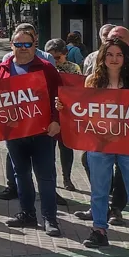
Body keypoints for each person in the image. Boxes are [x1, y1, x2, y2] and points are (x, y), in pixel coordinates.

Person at [73, 39, 129, 257]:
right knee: (99, 190)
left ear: (125, 58)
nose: (114, 59)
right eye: (110, 54)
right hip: (100, 143)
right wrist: (65, 106)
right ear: (102, 57)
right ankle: (99, 230)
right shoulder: (92, 82)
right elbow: (82, 109)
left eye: (119, 55)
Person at [0, 29, 65, 237]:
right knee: (21, 175)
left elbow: (61, 97)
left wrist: (56, 121)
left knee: (46, 176)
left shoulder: (46, 68)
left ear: (35, 45)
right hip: (15, 133)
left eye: (27, 44)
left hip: (43, 132)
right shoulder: (3, 69)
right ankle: (27, 214)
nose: (23, 49)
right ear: (12, 46)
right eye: (19, 45)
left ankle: (50, 218)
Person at [46, 38, 82, 191]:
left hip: (67, 114)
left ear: (65, 54)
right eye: (50, 57)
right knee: (48, 148)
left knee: (66, 147)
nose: (54, 61)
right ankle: (50, 177)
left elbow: (80, 90)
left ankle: (67, 177)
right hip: (48, 113)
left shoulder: (73, 68)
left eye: (57, 58)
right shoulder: (45, 67)